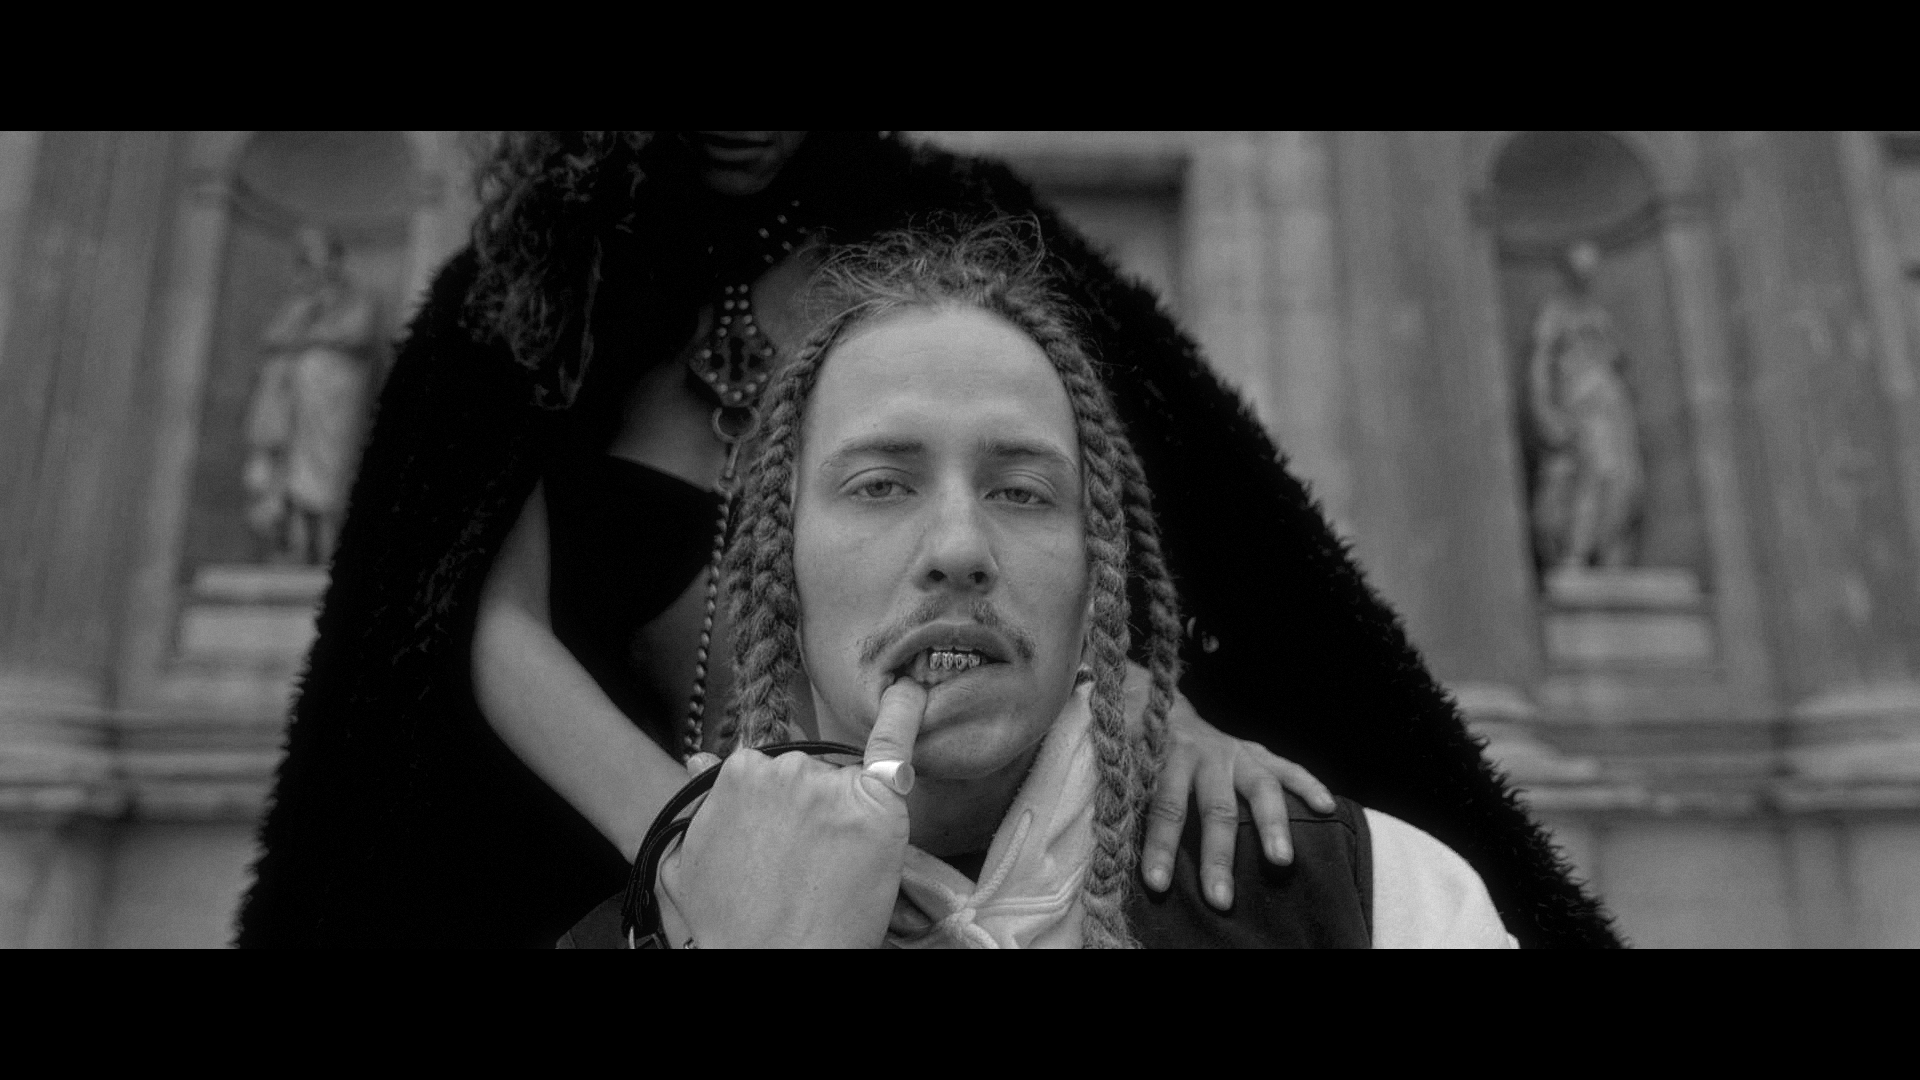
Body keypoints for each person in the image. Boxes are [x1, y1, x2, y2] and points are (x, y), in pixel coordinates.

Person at [239, 132, 1616, 948]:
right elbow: (480, 621)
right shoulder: (527, 301)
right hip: (642, 864)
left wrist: (1168, 704)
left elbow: (1154, 518)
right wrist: (695, 849)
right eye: (877, 482)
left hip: (1011, 857)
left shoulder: (962, 225)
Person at [566, 224, 1514, 948]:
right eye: (881, 485)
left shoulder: (1373, 899)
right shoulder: (639, 934)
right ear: (779, 566)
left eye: (1021, 491)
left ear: (1097, 575)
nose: (958, 548)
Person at [242, 226, 379, 565]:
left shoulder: (358, 300)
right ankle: (294, 546)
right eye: (309, 260)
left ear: (335, 259)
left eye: (322, 257)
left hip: (335, 400)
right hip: (298, 408)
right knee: (291, 476)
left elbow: (360, 334)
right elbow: (274, 339)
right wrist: (306, 317)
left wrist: (314, 336)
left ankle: (328, 545)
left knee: (331, 475)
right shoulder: (301, 303)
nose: (318, 267)